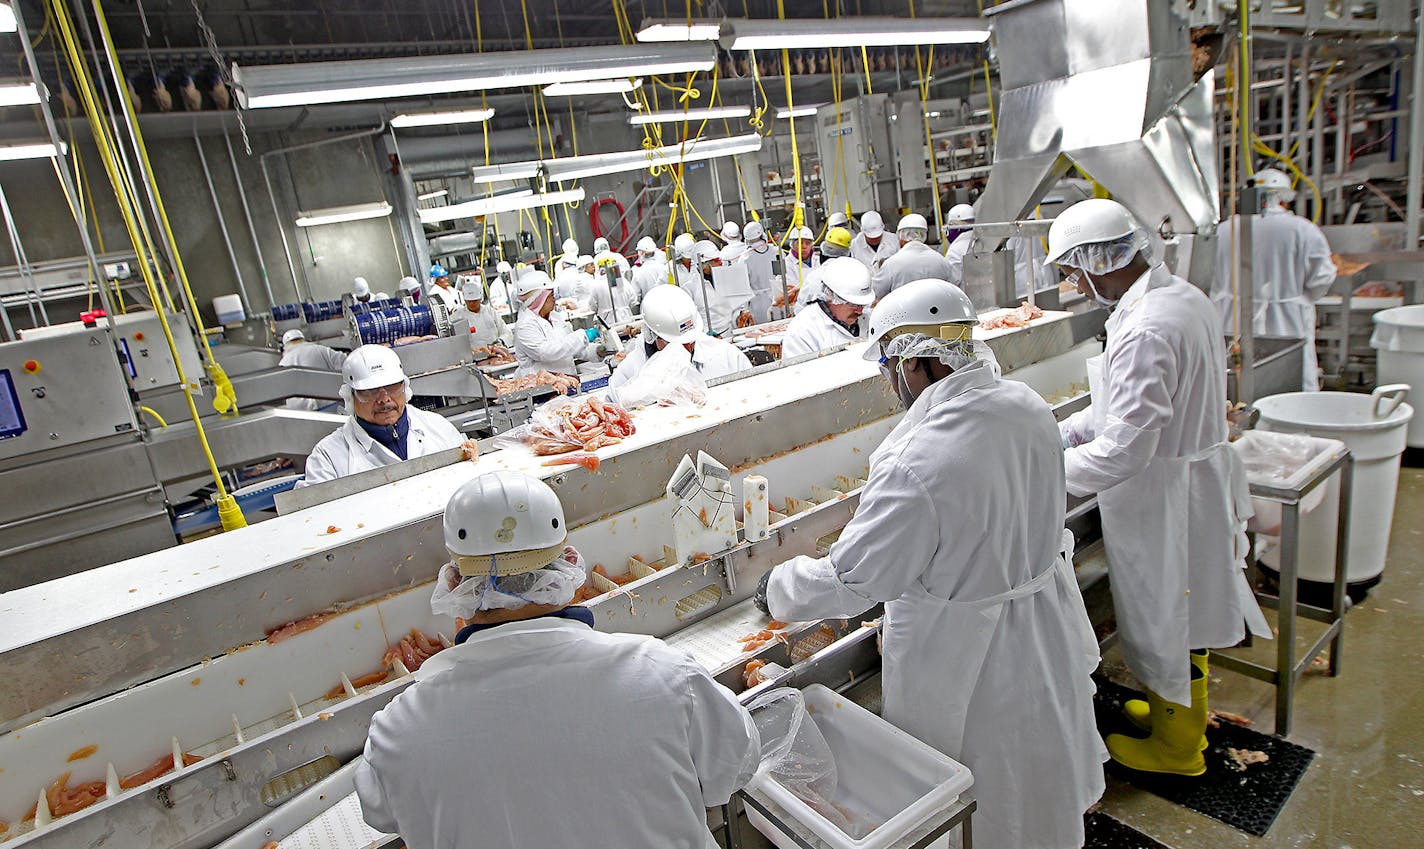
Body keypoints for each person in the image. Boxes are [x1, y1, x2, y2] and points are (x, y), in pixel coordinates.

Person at [756, 278, 1105, 849]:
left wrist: (778, 588)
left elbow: (854, 580)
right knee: (1039, 770)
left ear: (915, 362)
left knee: (984, 796)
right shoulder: (1026, 406)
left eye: (890, 367)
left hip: (970, 658)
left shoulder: (917, 459)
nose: (889, 382)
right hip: (1042, 628)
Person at [355, 470, 760, 849]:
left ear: (456, 583)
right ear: (566, 564)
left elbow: (380, 810)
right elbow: (737, 763)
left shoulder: (401, 731)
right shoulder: (664, 675)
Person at [1049, 198, 1264, 776]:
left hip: (1164, 494)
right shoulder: (1178, 297)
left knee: (1170, 611)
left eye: (1073, 270)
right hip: (1186, 480)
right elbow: (1123, 409)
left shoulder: (1146, 326)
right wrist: (1058, 432)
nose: (1074, 283)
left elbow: (1126, 445)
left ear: (1097, 260)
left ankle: (1178, 748)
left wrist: (1040, 472)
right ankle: (1177, 713)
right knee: (1182, 610)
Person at [1212, 167, 1337, 390]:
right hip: (1288, 324)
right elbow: (1322, 278)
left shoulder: (1223, 231)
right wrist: (1299, 297)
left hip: (1232, 321)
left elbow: (1208, 278)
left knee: (1233, 385)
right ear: (1284, 198)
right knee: (1291, 383)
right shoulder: (1303, 230)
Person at [299, 345, 477, 487]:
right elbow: (312, 519)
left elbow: (472, 483)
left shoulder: (438, 427)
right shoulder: (328, 457)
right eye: (370, 391)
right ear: (350, 397)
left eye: (392, 387)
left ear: (405, 387)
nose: (384, 399)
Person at [608, 284, 751, 392]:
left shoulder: (727, 356)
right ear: (651, 335)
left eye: (691, 340)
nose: (688, 348)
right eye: (677, 344)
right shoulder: (628, 374)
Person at [511, 269, 600, 376]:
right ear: (539, 299)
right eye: (550, 296)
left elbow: (571, 348)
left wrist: (597, 351)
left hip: (568, 380)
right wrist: (583, 336)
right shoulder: (524, 326)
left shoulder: (554, 317)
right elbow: (547, 353)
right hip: (544, 386)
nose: (554, 300)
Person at [780, 257, 874, 359]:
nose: (860, 311)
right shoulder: (803, 331)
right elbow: (799, 372)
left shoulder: (871, 319)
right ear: (831, 296)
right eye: (853, 304)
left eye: (862, 305)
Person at [872, 213, 957, 299]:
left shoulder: (892, 264)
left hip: (904, 311)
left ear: (901, 235)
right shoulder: (941, 261)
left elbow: (875, 292)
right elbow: (954, 287)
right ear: (924, 235)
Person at [278, 329, 345, 412]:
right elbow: (345, 363)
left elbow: (283, 390)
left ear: (285, 345)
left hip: (303, 411)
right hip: (330, 402)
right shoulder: (321, 349)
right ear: (302, 339)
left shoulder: (284, 363)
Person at [794, 226, 854, 311]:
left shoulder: (814, 277)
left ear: (823, 253)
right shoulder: (854, 276)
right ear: (848, 254)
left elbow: (799, 308)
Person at [449, 277, 511, 353]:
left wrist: (501, 341)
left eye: (475, 301)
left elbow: (505, 331)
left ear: (480, 298)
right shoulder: (457, 317)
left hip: (495, 353)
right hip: (472, 357)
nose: (472, 304)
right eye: (469, 301)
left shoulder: (490, 312)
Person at [742, 220, 781, 325]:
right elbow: (784, 277)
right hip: (778, 299)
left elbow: (743, 287)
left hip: (757, 303)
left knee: (763, 334)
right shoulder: (776, 251)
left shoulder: (744, 258)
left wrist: (745, 309)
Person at [781, 225, 818, 316]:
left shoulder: (818, 260)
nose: (804, 247)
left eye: (808, 243)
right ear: (792, 245)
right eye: (800, 243)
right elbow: (791, 292)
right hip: (798, 310)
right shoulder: (786, 264)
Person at [630, 237, 669, 306]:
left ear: (641, 253)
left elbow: (635, 298)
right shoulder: (664, 267)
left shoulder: (637, 273)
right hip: (666, 305)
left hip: (648, 309)